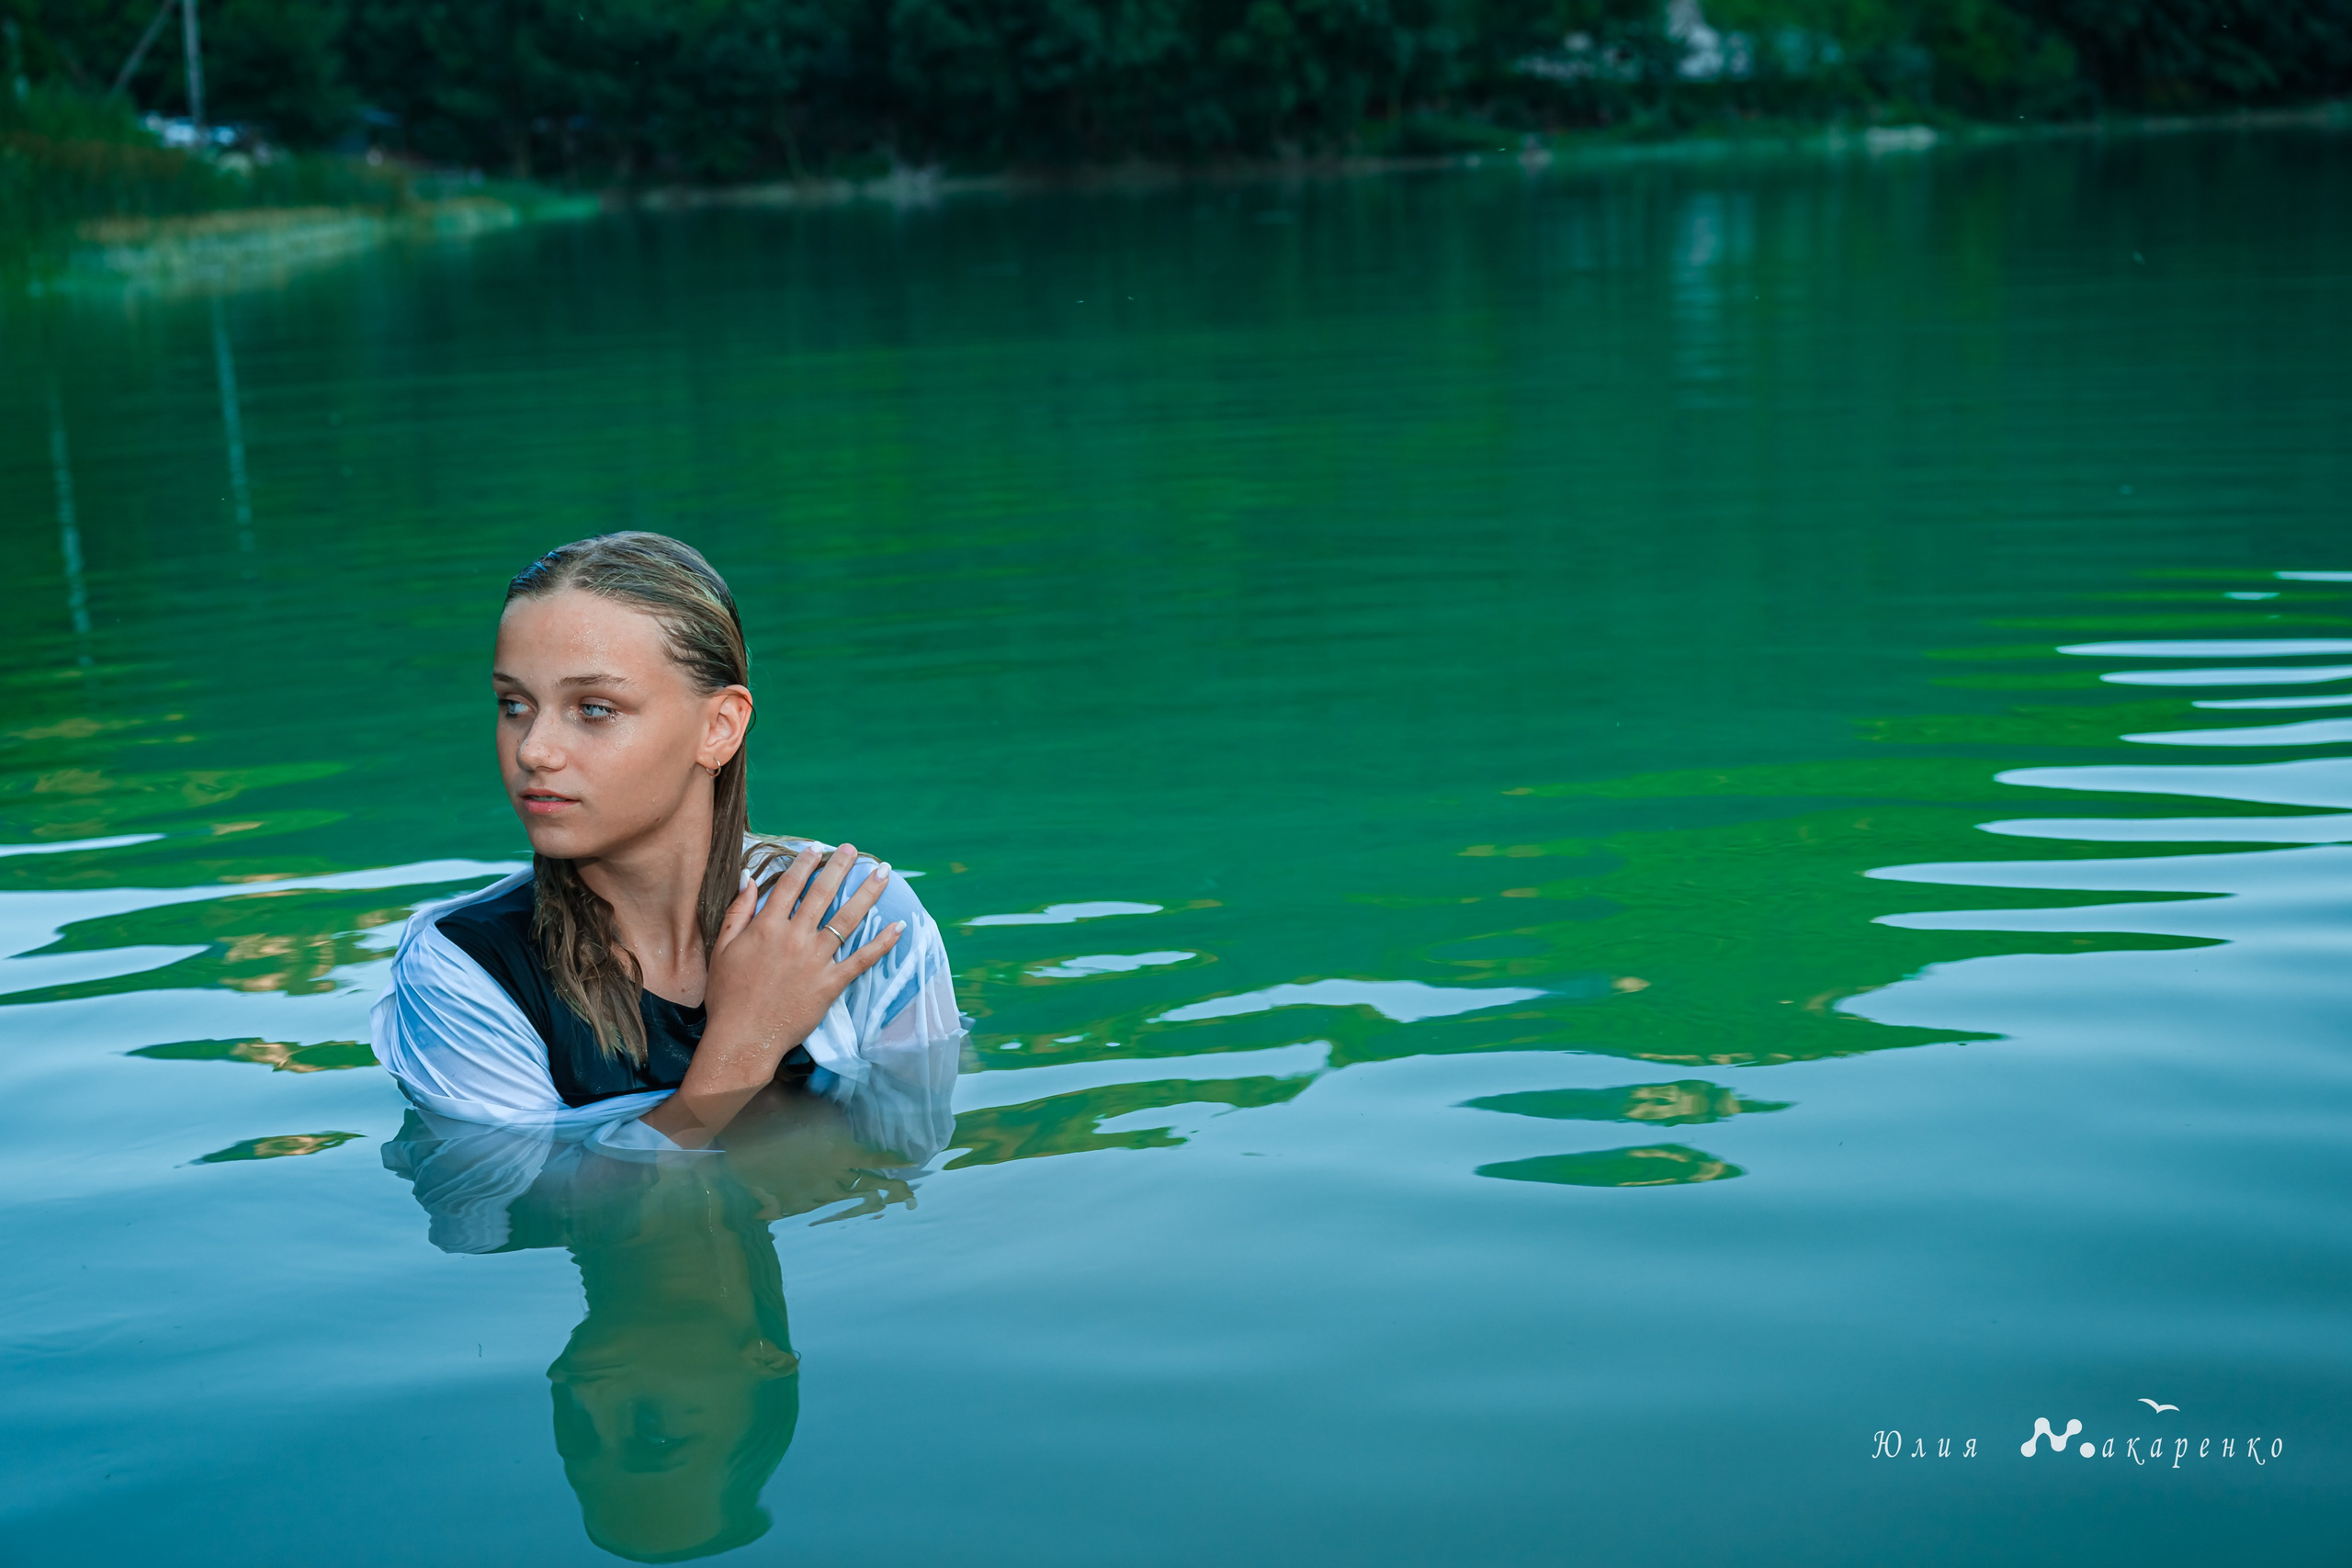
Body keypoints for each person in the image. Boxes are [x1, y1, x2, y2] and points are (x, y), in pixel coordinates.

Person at [370, 531, 962, 1152]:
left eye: (594, 708)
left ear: (719, 728)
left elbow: (911, 1159)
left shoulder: (854, 920)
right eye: (514, 704)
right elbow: (523, 1199)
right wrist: (745, 1044)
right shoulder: (466, 968)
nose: (533, 750)